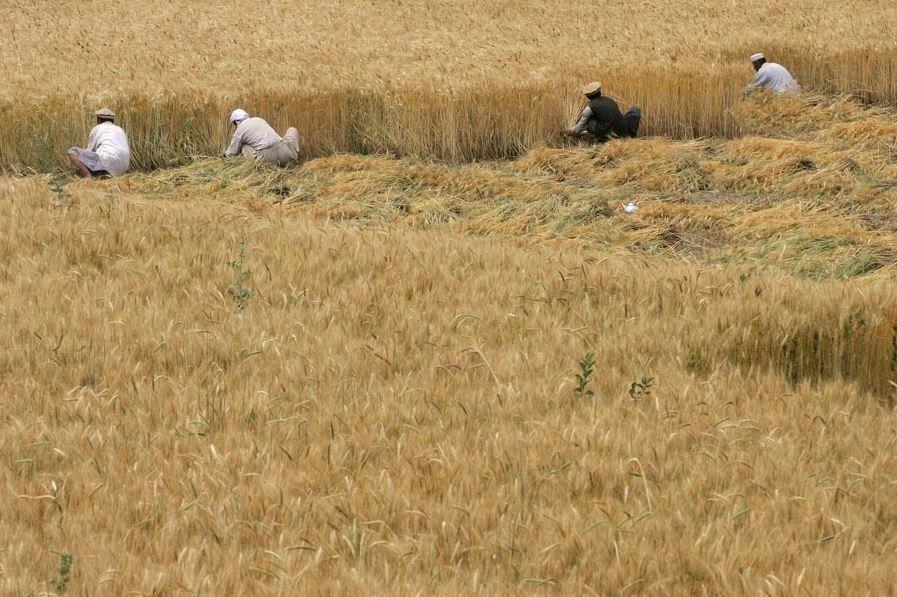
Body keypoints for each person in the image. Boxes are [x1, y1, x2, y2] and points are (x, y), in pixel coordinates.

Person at [67, 108, 131, 178]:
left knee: (72, 151)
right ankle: (106, 175)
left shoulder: (97, 128)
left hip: (107, 161)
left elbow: (90, 150)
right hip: (124, 166)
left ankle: (88, 177)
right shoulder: (120, 129)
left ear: (99, 119)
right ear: (112, 120)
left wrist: (80, 165)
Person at [567, 82, 641, 142]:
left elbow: (580, 125)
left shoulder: (590, 108)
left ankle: (601, 138)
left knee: (588, 120)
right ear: (599, 92)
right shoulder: (610, 100)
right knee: (634, 110)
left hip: (605, 132)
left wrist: (571, 133)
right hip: (621, 129)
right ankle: (631, 136)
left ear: (588, 96)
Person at [224, 109, 300, 165]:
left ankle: (260, 164)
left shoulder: (240, 130)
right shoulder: (259, 119)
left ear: (236, 121)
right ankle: (296, 156)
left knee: (244, 146)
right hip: (287, 153)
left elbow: (232, 152)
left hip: (268, 159)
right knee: (292, 130)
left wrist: (225, 156)